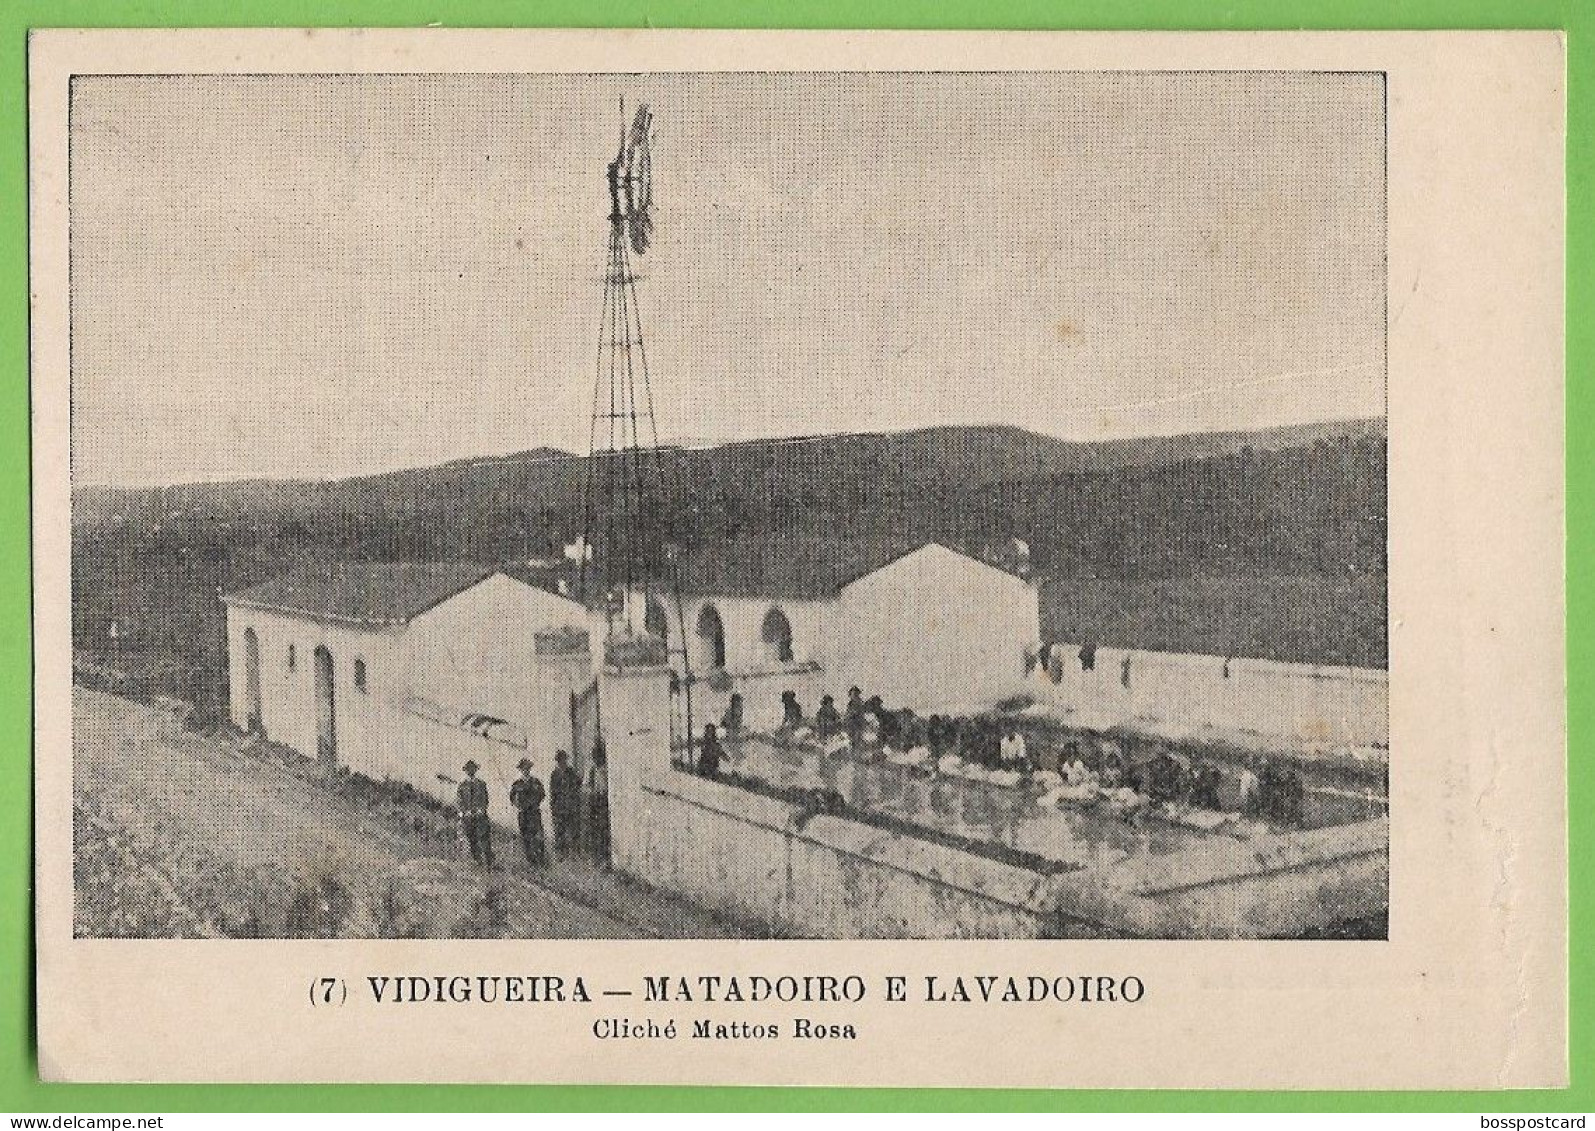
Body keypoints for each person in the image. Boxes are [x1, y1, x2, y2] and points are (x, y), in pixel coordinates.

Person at [509, 756, 548, 867]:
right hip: (523, 814)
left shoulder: (536, 781)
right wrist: (519, 805)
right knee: (526, 837)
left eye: (527, 768)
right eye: (523, 768)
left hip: (534, 813)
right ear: (520, 770)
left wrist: (535, 803)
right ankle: (531, 860)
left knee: (538, 836)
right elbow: (512, 798)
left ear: (530, 769)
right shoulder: (517, 784)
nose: (525, 770)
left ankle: (541, 859)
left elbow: (542, 794)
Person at [456, 759, 494, 869]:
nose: (470, 771)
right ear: (466, 771)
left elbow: (485, 799)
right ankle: (477, 861)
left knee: (484, 838)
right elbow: (459, 800)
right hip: (467, 817)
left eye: (472, 769)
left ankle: (489, 862)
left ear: (475, 770)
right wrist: (463, 812)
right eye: (468, 769)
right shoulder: (462, 785)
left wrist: (481, 809)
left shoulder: (481, 784)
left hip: (480, 815)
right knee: (471, 838)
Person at [549, 750, 582, 858]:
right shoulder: (554, 774)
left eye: (564, 760)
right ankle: (561, 852)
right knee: (559, 830)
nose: (562, 763)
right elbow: (552, 792)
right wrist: (553, 807)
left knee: (573, 829)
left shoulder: (571, 772)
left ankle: (574, 852)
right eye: (560, 761)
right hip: (559, 806)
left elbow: (578, 783)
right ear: (557, 762)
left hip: (571, 805)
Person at [585, 744, 611, 861]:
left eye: (598, 757)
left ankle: (605, 856)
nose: (596, 760)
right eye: (594, 757)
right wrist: (591, 793)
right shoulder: (592, 770)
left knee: (604, 829)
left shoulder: (606, 770)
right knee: (595, 829)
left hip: (604, 802)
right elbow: (588, 785)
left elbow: (607, 787)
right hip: (595, 802)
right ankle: (597, 855)